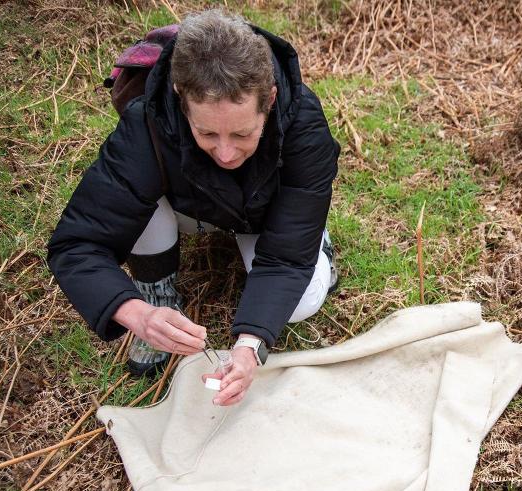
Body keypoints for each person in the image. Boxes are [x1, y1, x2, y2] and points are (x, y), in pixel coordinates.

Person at [47, 10, 340, 407]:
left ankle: (317, 240)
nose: (225, 152)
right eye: (205, 132)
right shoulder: (146, 123)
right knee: (139, 209)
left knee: (301, 302)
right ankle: (159, 297)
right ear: (180, 99)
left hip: (264, 216)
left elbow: (286, 259)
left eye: (242, 133)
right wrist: (136, 312)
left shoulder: (303, 121)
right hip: (188, 207)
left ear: (269, 99)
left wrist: (249, 346)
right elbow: (77, 244)